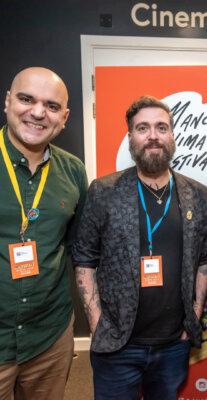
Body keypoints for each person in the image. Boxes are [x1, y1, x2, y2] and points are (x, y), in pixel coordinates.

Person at [72, 95, 207, 400]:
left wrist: (194, 315)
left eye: (161, 127)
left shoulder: (197, 194)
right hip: (118, 344)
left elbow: (205, 259)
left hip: (174, 343)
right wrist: (97, 323)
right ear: (130, 137)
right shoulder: (104, 191)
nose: (153, 136)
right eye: (143, 128)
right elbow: (84, 259)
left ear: (172, 135)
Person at [0, 67, 87, 399]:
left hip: (49, 337)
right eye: (27, 99)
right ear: (8, 101)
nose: (38, 113)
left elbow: (78, 247)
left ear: (64, 117)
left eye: (51, 106)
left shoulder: (73, 171)